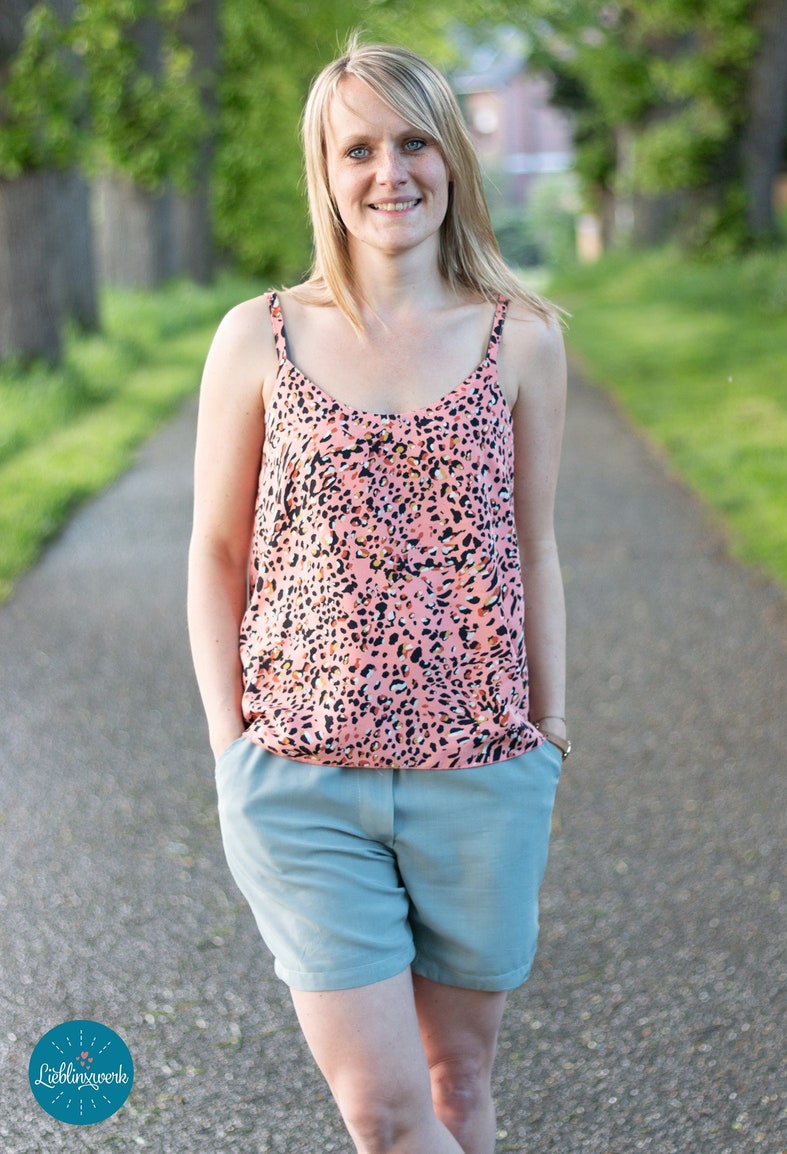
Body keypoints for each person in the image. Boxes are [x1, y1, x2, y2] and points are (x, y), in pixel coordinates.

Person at [188, 37, 569, 1154]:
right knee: (387, 1114)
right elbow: (215, 550)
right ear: (324, 170)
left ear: (452, 157)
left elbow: (533, 544)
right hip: (299, 780)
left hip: (481, 776)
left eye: (413, 142)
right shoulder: (258, 337)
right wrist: (229, 746)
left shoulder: (522, 339)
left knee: (459, 1083)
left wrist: (546, 733)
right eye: (357, 149)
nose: (389, 172)